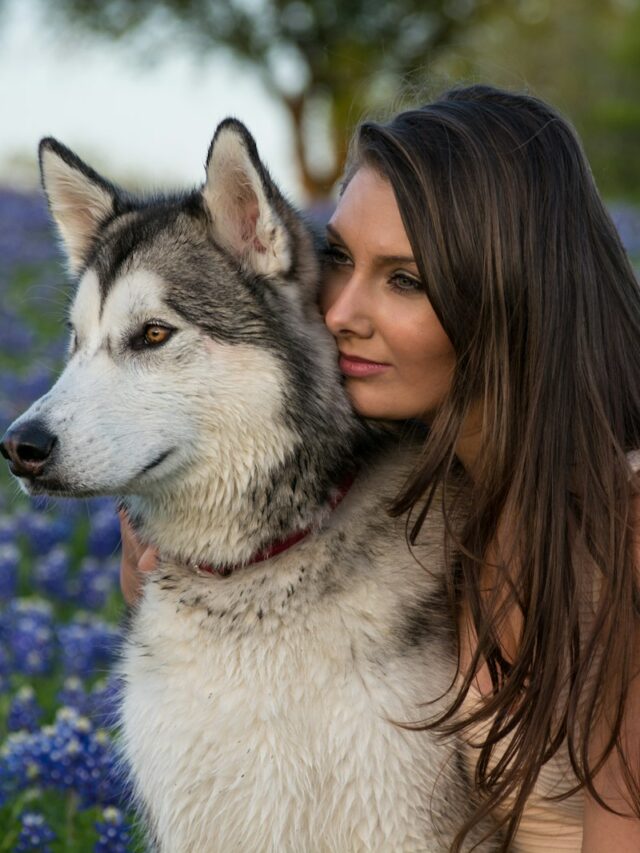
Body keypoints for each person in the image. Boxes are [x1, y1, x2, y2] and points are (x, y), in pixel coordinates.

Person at [119, 84, 640, 851]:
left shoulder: (621, 527)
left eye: (405, 280)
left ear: (507, 296)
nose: (337, 313)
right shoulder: (434, 494)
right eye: (338, 257)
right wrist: (181, 583)